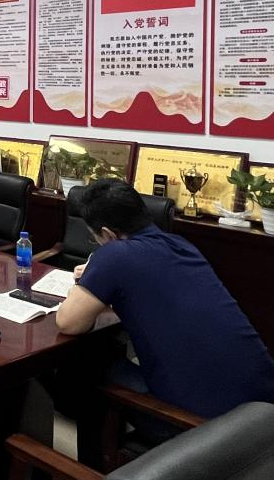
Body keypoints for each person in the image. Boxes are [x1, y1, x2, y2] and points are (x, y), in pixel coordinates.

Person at [56, 178, 273, 419]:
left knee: (88, 363)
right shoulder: (182, 246)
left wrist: (87, 281)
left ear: (107, 234)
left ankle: (92, 442)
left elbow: (68, 322)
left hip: (207, 428)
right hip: (263, 412)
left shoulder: (114, 254)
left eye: (94, 237)